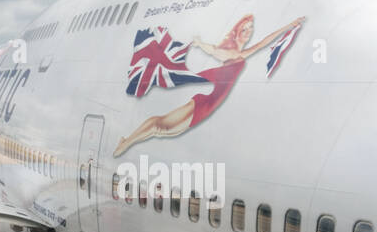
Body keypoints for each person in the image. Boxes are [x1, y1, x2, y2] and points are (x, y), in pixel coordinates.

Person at [113, 14, 304, 157]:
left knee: (162, 126)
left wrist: (289, 25)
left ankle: (127, 142)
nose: (249, 33)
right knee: (160, 125)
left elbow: (263, 42)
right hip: (206, 101)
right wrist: (200, 43)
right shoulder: (228, 53)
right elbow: (212, 50)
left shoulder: (240, 53)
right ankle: (125, 143)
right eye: (245, 29)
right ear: (237, 32)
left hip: (211, 102)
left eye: (251, 29)